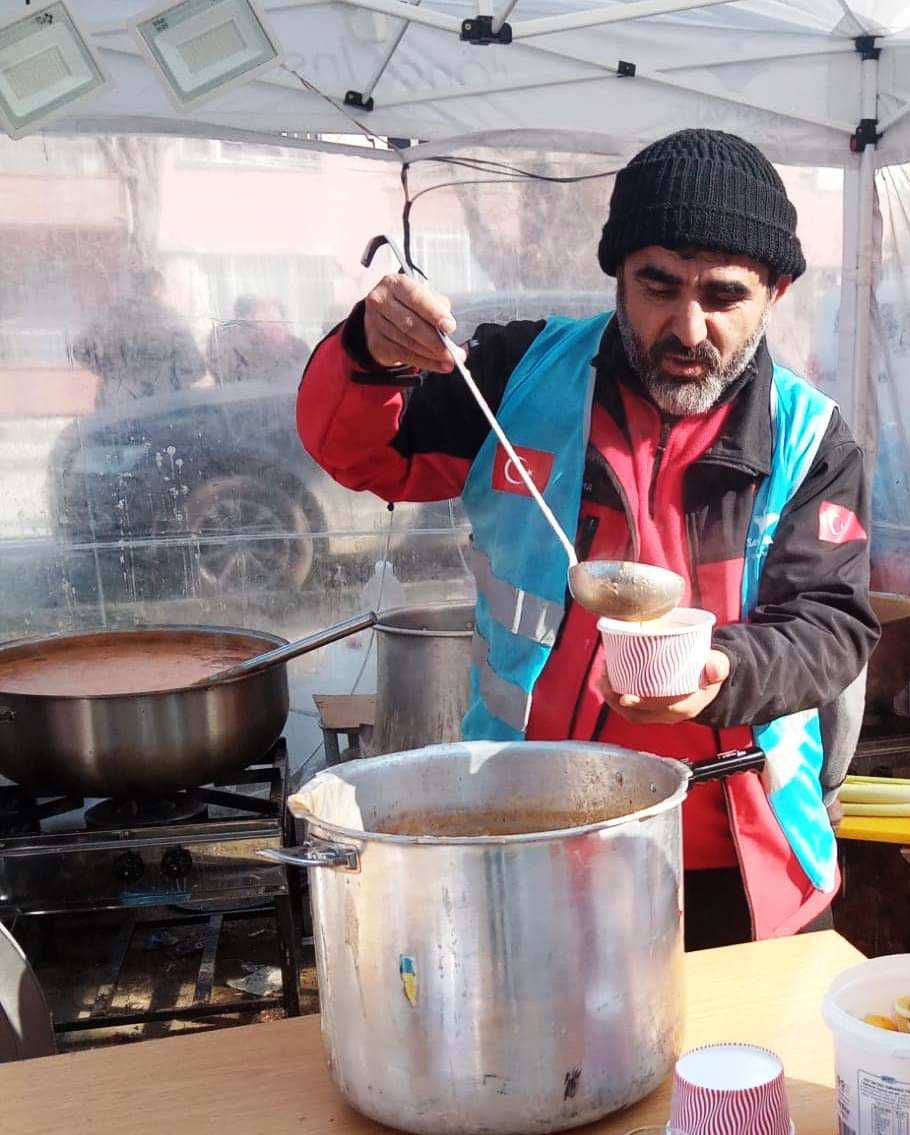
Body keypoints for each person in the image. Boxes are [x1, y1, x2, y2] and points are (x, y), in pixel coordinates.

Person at [298, 129, 877, 950]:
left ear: (775, 291)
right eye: (658, 285)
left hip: (742, 865)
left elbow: (831, 625)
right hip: (531, 831)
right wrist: (368, 351)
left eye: (722, 295)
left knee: (744, 1074)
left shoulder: (812, 438)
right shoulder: (514, 375)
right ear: (617, 276)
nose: (688, 326)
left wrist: (724, 671)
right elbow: (359, 451)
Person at [72, 267, 205, 409]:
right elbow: (195, 367)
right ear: (157, 290)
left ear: (134, 287)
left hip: (115, 406)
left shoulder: (109, 315)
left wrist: (109, 371)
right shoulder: (170, 319)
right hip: (162, 407)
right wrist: (168, 378)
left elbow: (80, 350)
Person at [210, 296, 310, 386]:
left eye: (278, 321)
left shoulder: (299, 347)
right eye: (268, 322)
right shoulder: (246, 354)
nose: (276, 327)